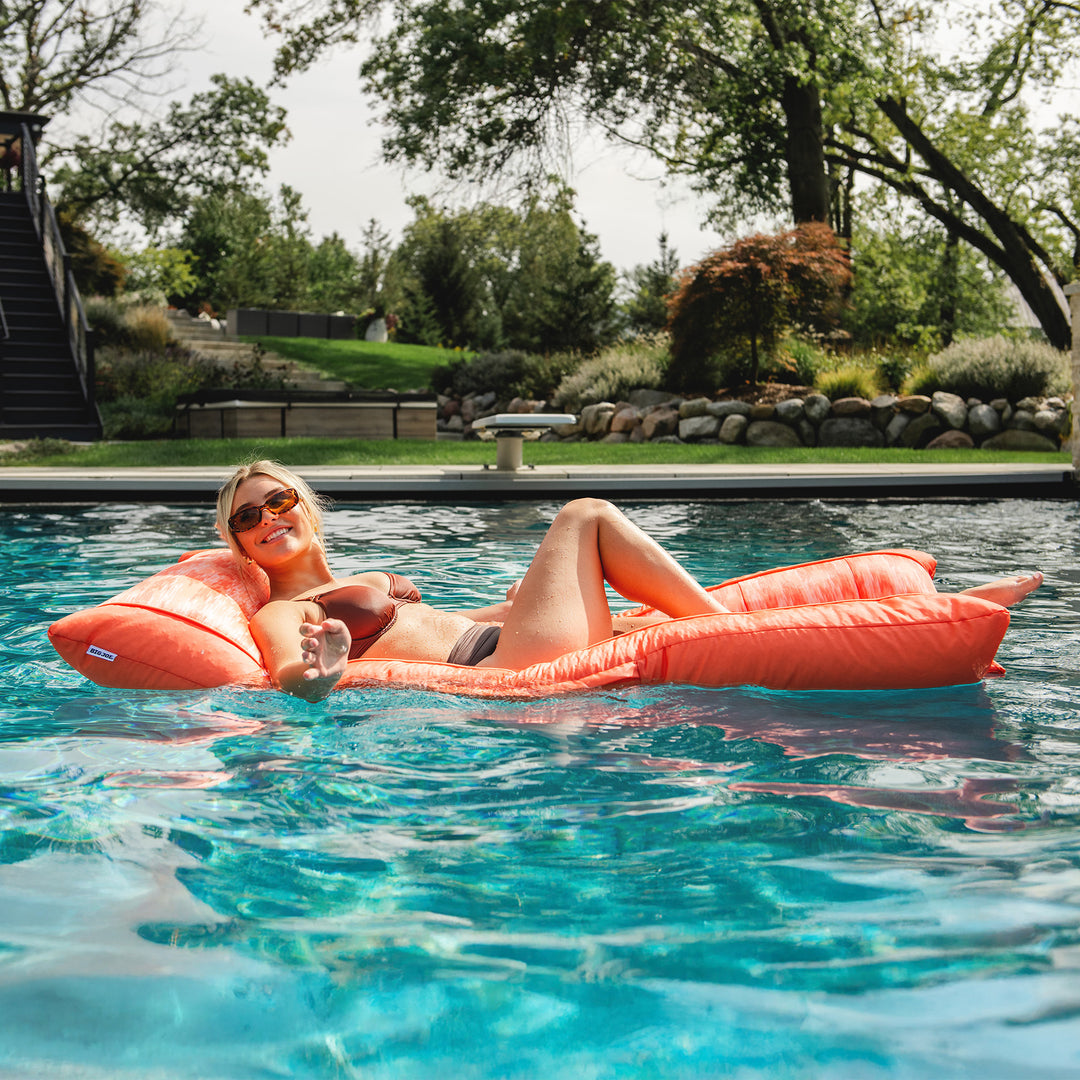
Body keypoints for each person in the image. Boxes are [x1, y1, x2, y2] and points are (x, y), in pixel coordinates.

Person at [217, 461, 1043, 703]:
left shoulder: (365, 575)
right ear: (240, 542)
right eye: (248, 517)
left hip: (500, 634)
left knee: (594, 557)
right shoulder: (284, 610)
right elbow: (292, 674)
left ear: (304, 507)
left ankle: (939, 608)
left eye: (277, 501)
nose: (267, 519)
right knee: (584, 514)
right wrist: (319, 675)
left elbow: (447, 623)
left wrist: (521, 597)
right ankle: (723, 625)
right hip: (501, 668)